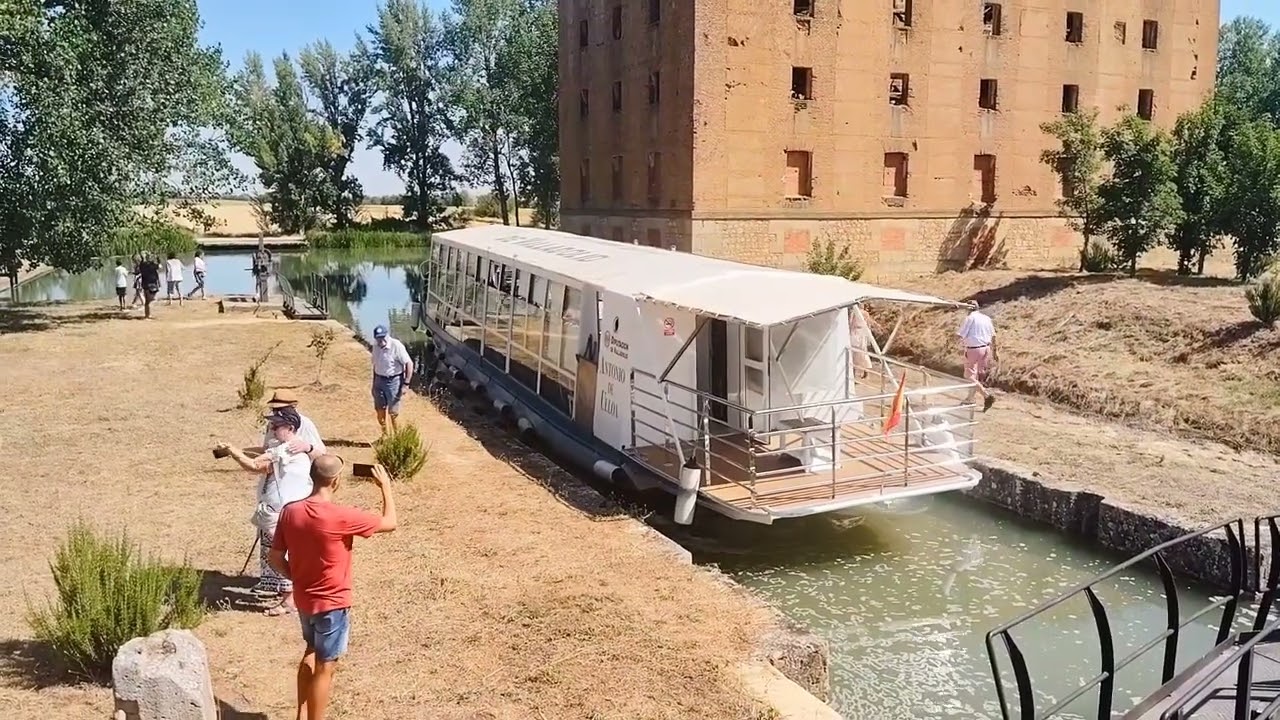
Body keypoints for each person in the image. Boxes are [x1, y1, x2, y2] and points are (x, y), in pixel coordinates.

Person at [270, 455, 397, 720]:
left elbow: (275, 557)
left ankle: (301, 715)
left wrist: (297, 578)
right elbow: (390, 523)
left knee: (310, 650)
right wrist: (385, 486)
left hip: (304, 600)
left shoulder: (290, 511)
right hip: (332, 604)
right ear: (336, 481)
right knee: (325, 667)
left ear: (311, 477)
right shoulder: (342, 516)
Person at [216, 406, 315, 616]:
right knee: (279, 554)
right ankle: (290, 597)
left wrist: (232, 451)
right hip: (283, 512)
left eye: (277, 425)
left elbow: (253, 465)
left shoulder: (287, 448)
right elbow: (263, 465)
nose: (272, 428)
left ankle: (291, 598)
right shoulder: (285, 449)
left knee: (280, 555)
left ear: (290, 427)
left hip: (281, 514)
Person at [256, 389, 327, 460]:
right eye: (275, 409)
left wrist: (307, 448)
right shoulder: (272, 423)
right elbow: (266, 447)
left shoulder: (305, 423)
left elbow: (321, 453)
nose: (277, 412)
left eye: (281, 409)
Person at [370, 325, 414, 434]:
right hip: (379, 380)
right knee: (379, 409)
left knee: (393, 412)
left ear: (387, 335)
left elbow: (409, 363)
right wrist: (374, 383)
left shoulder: (396, 345)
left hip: (393, 381)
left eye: (382, 337)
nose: (380, 340)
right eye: (378, 338)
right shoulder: (375, 346)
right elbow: (375, 365)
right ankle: (385, 434)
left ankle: (398, 436)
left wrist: (406, 384)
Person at [957, 302, 997, 412]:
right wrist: (995, 351)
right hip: (986, 348)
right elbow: (993, 336)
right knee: (975, 376)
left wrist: (953, 343)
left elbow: (960, 334)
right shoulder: (986, 318)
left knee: (968, 375)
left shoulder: (970, 318)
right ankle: (970, 398)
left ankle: (986, 395)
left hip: (974, 349)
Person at [137, 252, 161, 319]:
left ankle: (147, 315)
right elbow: (159, 265)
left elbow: (141, 264)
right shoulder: (153, 265)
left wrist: (143, 258)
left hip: (145, 283)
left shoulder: (142, 265)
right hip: (152, 283)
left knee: (147, 300)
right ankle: (147, 315)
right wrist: (157, 258)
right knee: (150, 300)